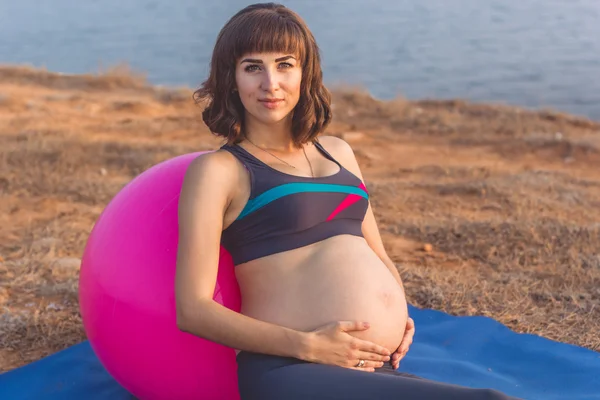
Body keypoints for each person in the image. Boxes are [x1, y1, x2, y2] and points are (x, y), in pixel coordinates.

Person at [175, 3, 519, 399]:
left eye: (285, 64)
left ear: (305, 73)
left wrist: (399, 314)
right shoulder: (220, 170)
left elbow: (376, 251)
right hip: (292, 367)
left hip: (374, 365)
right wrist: (308, 345)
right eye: (253, 67)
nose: (271, 82)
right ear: (231, 79)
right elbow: (193, 309)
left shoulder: (338, 151)